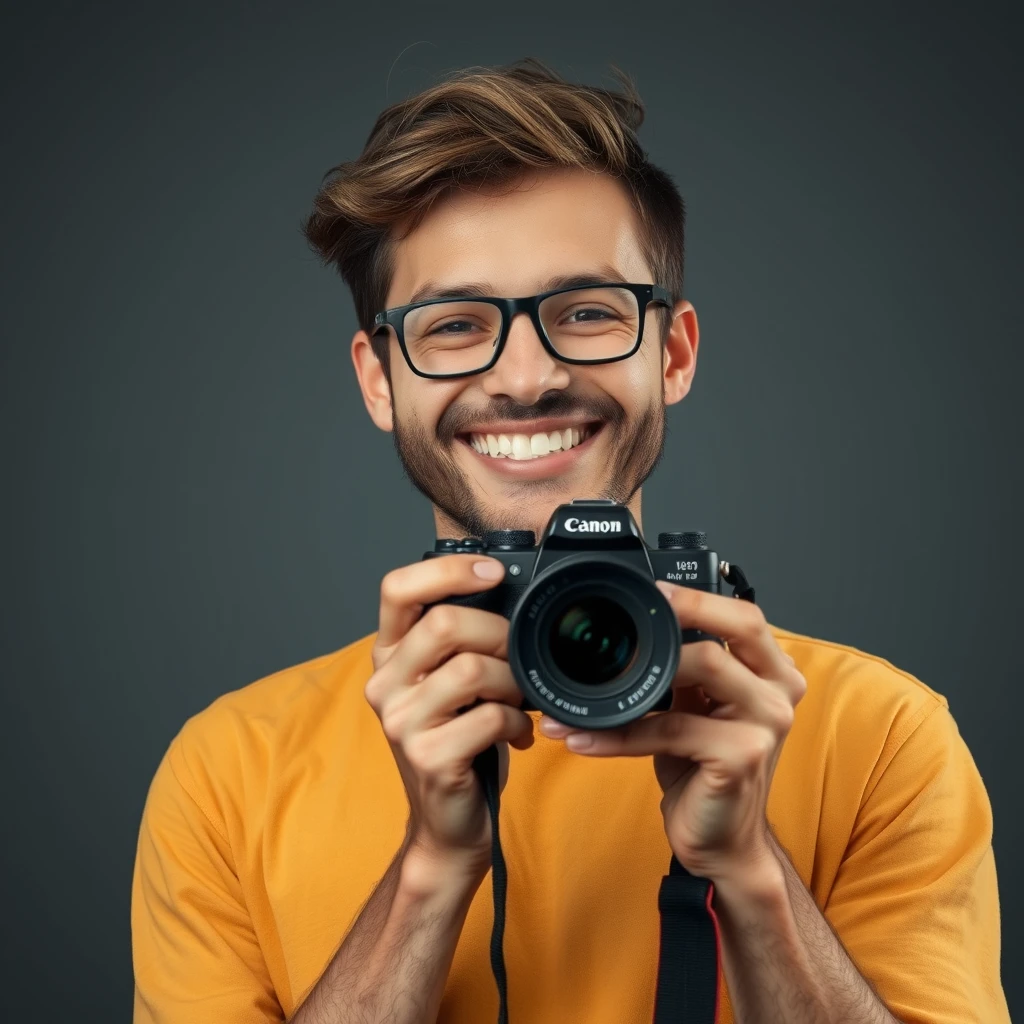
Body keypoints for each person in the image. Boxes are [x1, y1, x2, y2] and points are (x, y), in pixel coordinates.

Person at [130, 60, 1010, 1024]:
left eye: (587, 313)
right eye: (455, 325)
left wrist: (751, 874)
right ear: (379, 380)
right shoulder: (227, 771)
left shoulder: (878, 736)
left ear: (671, 352)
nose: (525, 375)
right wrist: (431, 870)